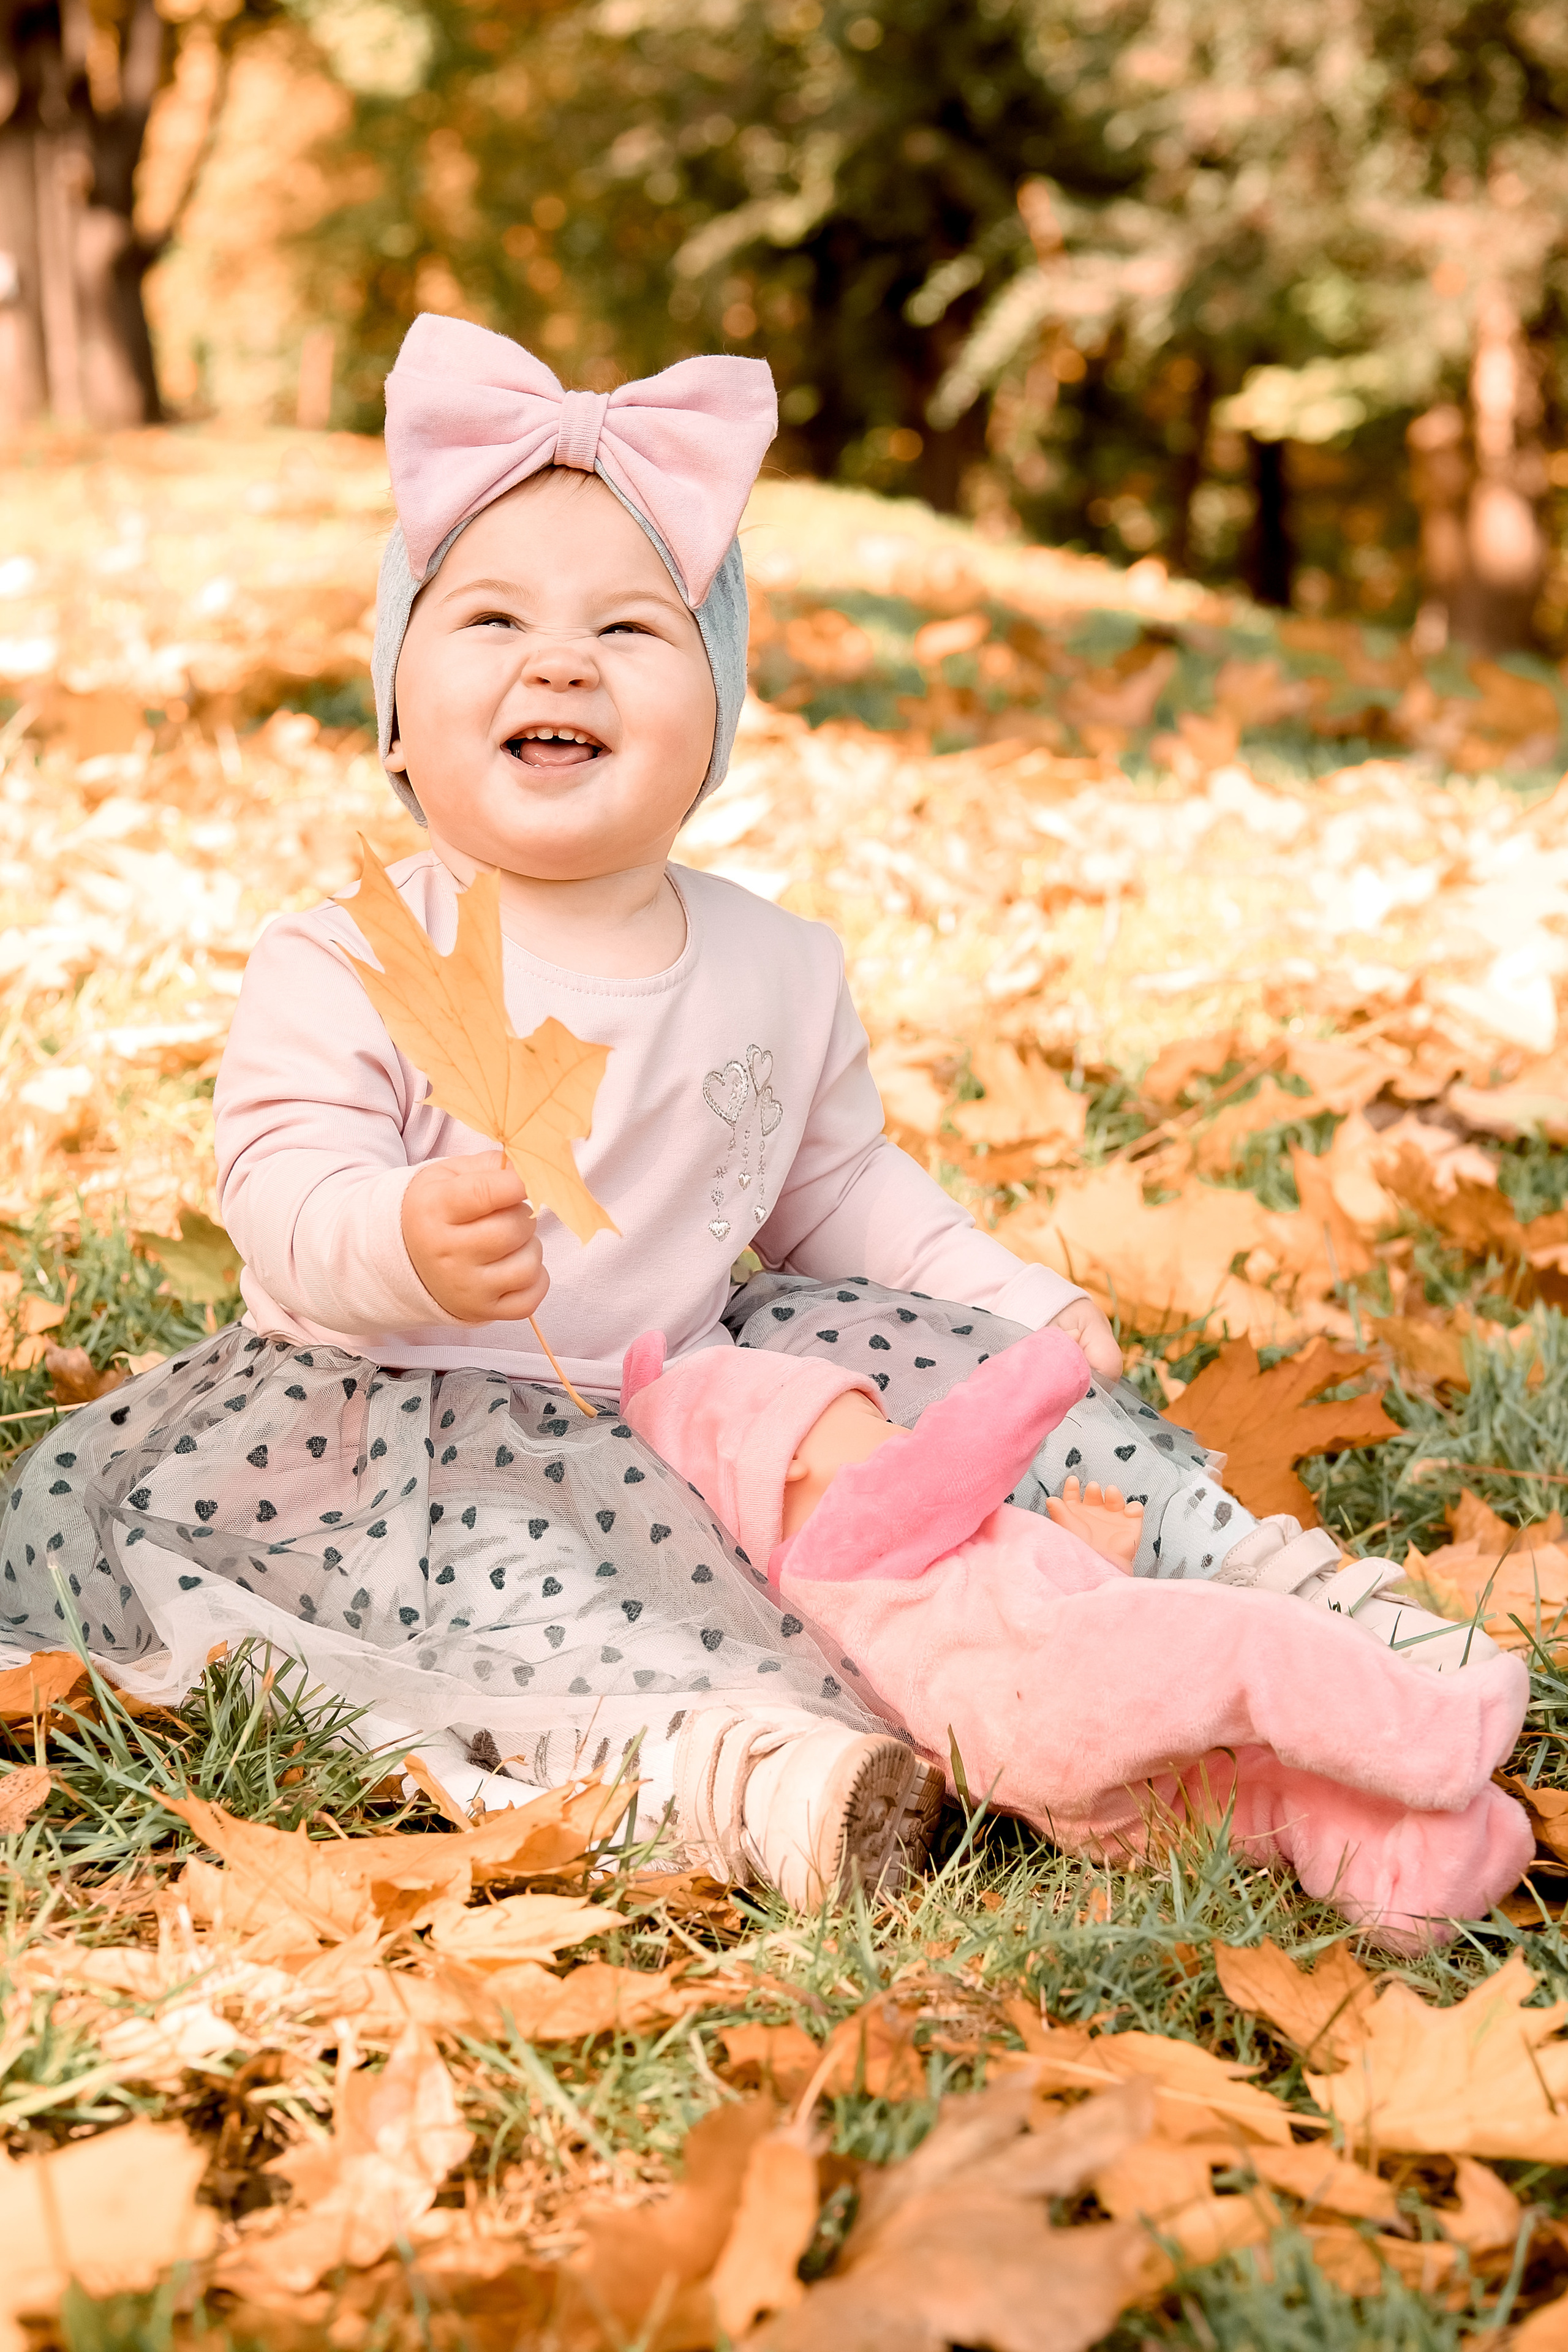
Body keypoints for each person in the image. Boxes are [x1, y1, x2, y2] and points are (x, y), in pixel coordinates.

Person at [0, 317, 1449, 1904]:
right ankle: (732, 1777)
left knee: (957, 1402)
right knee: (487, 1612)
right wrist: (394, 1236)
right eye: (487, 619)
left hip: (690, 1392)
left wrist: (1011, 1301)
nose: (559, 661)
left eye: (631, 629)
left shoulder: (771, 961)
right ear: (398, 717)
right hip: (392, 1419)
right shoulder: (347, 952)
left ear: (716, 715)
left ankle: (1253, 1580)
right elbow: (279, 1179)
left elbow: (844, 1196)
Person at [620, 1325, 1532, 1947]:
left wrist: (1095, 1558)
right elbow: (962, 1451)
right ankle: (1441, 1735)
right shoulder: (843, 1530)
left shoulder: (842, 1598)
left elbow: (979, 1625)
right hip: (1061, 1679)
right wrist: (1045, 1361)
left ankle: (1422, 1874)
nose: (896, 1431)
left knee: (1257, 1795)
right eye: (871, 1418)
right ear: (791, 1456)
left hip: (1050, 1791)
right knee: (1253, 1648)